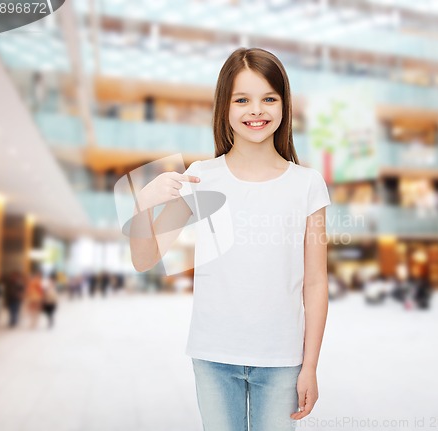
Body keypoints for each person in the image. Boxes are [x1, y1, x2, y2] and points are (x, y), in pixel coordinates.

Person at [129, 47, 331, 430]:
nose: (256, 110)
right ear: (225, 107)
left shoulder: (307, 184)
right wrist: (143, 206)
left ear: (284, 105)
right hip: (213, 355)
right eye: (243, 100)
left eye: (269, 98)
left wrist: (310, 367)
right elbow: (145, 259)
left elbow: (316, 282)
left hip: (282, 359)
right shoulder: (201, 176)